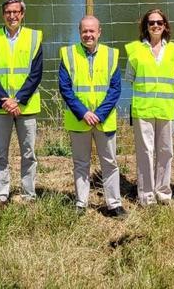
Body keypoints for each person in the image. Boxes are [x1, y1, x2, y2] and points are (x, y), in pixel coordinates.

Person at [58, 15, 127, 219]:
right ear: (79, 32)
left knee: (110, 163)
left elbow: (115, 89)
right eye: (84, 31)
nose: (88, 35)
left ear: (99, 32)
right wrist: (84, 113)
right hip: (78, 119)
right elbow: (65, 88)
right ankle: (81, 202)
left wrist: (98, 114)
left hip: (104, 120)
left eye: (92, 31)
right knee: (81, 163)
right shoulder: (68, 54)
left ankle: (114, 204)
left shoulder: (112, 55)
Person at [0, 0, 43, 208]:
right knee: (0, 154)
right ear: (3, 15)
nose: (12, 16)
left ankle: (29, 195)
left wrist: (18, 100)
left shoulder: (35, 37)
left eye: (16, 12)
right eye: (8, 12)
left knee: (29, 153)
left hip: (26, 106)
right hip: (1, 108)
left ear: (22, 14)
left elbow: (36, 73)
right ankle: (2, 194)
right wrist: (5, 102)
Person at [125, 8, 174, 206]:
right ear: (146, 26)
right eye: (151, 23)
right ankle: (146, 195)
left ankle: (163, 192)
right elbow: (130, 80)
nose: (156, 26)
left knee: (166, 151)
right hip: (143, 110)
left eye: (159, 22)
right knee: (145, 153)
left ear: (165, 25)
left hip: (166, 109)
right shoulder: (134, 50)